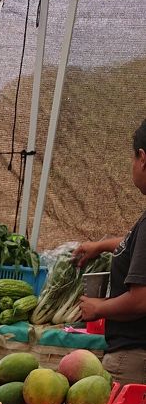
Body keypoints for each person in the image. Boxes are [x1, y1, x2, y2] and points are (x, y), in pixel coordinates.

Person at [74, 118, 146, 384]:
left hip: (134, 357)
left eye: (132, 158)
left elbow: (141, 300)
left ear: (142, 158)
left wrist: (99, 308)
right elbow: (137, 248)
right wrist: (101, 246)